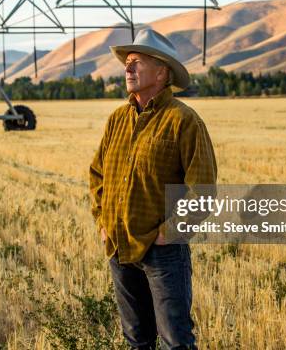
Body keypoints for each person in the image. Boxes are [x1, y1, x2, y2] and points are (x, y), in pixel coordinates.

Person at [89, 28, 217, 349]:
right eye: (127, 62)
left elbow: (202, 191)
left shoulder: (183, 121)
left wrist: (167, 232)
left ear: (162, 73)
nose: (127, 68)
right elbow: (97, 174)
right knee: (137, 340)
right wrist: (103, 222)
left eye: (137, 62)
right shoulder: (117, 119)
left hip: (163, 252)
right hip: (119, 248)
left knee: (176, 340)